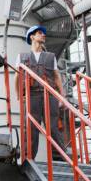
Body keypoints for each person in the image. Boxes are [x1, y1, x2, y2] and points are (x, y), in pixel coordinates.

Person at [15, 25, 66, 160]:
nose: (43, 35)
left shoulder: (50, 56)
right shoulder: (22, 56)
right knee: (30, 128)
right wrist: (19, 95)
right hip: (32, 95)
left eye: (43, 33)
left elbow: (56, 76)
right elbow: (17, 77)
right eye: (39, 33)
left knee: (53, 127)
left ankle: (62, 159)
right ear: (32, 37)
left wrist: (62, 96)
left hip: (49, 95)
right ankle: (28, 159)